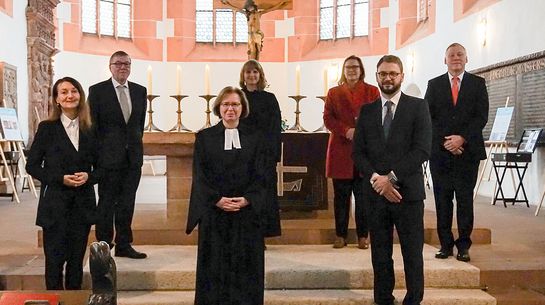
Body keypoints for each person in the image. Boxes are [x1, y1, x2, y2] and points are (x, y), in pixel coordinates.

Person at [353, 55, 431, 305]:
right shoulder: (367, 111)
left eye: (392, 74)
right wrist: (378, 179)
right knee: (380, 252)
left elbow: (422, 149)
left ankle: (413, 299)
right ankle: (383, 298)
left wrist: (391, 178)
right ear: (376, 77)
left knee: (412, 251)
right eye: (383, 73)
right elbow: (358, 153)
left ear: (401, 76)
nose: (387, 78)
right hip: (376, 193)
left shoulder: (418, 107)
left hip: (407, 193)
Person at [186, 86, 266, 305]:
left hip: (246, 214)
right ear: (218, 108)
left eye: (235, 104)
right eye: (226, 104)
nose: (231, 109)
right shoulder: (205, 137)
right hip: (215, 214)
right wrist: (217, 200)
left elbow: (262, 173)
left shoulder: (256, 137)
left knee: (246, 267)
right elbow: (199, 175)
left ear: (243, 108)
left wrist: (248, 198)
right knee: (214, 267)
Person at [26, 77, 100, 290]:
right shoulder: (47, 128)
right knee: (54, 263)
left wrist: (89, 177)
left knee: (77, 263)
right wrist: (59, 178)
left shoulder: (91, 129)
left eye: (74, 91)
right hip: (55, 205)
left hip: (82, 205)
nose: (70, 96)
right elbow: (31, 166)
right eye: (64, 92)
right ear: (57, 99)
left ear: (80, 95)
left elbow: (103, 167)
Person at [425, 43, 489, 262]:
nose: (455, 58)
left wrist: (462, 138)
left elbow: (481, 116)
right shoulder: (433, 85)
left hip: (467, 152)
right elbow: (428, 117)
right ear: (445, 60)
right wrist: (447, 141)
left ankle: (463, 245)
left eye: (460, 54)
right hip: (440, 153)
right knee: (442, 200)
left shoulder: (478, 84)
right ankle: (445, 245)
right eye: (451, 55)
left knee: (464, 200)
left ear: (466, 58)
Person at [88, 50, 148, 259]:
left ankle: (124, 244)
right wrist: (96, 160)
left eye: (127, 64)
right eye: (118, 63)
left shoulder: (140, 91)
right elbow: (93, 128)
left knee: (127, 202)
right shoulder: (97, 91)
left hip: (132, 159)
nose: (123, 67)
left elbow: (138, 126)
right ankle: (104, 246)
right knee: (106, 203)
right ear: (110, 66)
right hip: (107, 159)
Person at [323, 55, 379, 249]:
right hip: (341, 149)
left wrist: (360, 131)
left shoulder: (372, 91)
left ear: (361, 69)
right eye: (348, 67)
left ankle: (364, 235)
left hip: (365, 150)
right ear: (343, 70)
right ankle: (341, 235)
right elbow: (328, 118)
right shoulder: (334, 92)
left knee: (364, 197)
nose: (352, 70)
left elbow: (379, 116)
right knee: (341, 197)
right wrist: (346, 130)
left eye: (355, 67)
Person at [239, 59, 282, 239]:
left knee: (264, 194)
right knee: (245, 193)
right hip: (243, 154)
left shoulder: (269, 98)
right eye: (248, 72)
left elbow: (275, 127)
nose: (252, 75)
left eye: (255, 72)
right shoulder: (238, 97)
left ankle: (263, 233)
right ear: (243, 76)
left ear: (260, 75)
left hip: (264, 154)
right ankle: (247, 233)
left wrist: (273, 155)